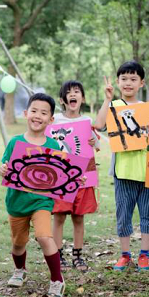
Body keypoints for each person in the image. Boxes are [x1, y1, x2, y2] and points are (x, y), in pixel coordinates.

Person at [0, 93, 66, 297]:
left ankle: (57, 280)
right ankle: (20, 270)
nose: (38, 116)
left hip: (42, 201)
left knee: (44, 236)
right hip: (17, 202)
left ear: (51, 119)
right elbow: (5, 166)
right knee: (18, 244)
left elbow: (62, 174)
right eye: (34, 111)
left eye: (44, 113)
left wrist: (75, 179)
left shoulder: (53, 145)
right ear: (26, 113)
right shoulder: (15, 142)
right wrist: (3, 169)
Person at [94, 61, 149, 272]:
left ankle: (145, 255)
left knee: (148, 215)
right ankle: (125, 255)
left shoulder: (148, 109)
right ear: (118, 81)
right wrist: (107, 99)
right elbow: (99, 124)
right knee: (123, 216)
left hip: (148, 172)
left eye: (133, 79)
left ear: (141, 83)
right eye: (124, 79)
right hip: (123, 173)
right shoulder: (114, 106)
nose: (128, 83)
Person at [51, 80, 99, 271]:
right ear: (62, 100)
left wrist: (93, 141)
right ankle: (58, 255)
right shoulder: (54, 120)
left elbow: (95, 145)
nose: (73, 94)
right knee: (59, 217)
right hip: (60, 176)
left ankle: (77, 256)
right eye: (69, 92)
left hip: (83, 175)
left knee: (79, 217)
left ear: (82, 98)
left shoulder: (87, 121)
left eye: (77, 91)